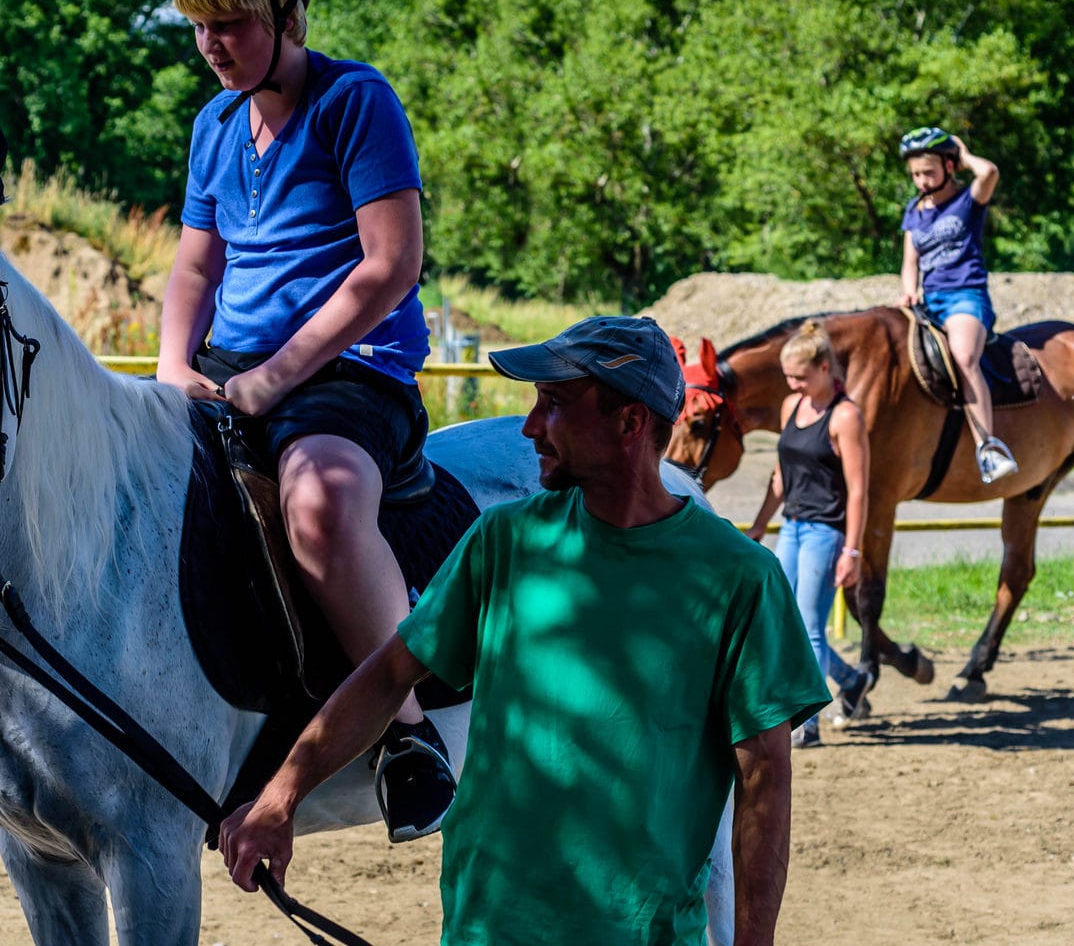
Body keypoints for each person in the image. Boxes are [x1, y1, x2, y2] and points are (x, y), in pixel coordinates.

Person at [219, 316, 832, 946]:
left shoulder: (740, 578)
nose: (531, 426)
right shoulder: (503, 540)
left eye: (556, 405)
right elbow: (387, 676)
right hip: (488, 927)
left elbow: (764, 781)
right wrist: (281, 795)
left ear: (630, 423)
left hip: (640, 932)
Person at [155, 0, 452, 842]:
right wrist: (172, 367)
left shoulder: (357, 102)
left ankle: (406, 737)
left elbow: (390, 265)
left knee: (318, 505)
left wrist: (274, 379)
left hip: (347, 372)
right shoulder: (213, 124)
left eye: (231, 22)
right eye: (200, 26)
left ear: (290, 12)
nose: (213, 44)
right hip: (227, 367)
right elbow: (196, 267)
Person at [744, 320, 874, 744]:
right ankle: (850, 680)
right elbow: (781, 475)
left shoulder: (845, 416)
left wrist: (851, 551)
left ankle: (806, 724)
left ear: (824, 368)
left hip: (825, 530)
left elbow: (858, 490)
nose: (793, 386)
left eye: (800, 377)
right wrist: (761, 524)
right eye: (788, 378)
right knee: (786, 623)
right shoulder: (790, 408)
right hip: (793, 526)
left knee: (811, 625)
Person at [897, 126, 1015, 483]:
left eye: (928, 172)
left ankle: (988, 448)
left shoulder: (968, 201)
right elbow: (909, 263)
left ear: (949, 167)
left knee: (964, 358)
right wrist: (908, 291)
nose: (921, 180)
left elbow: (990, 172)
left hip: (965, 295)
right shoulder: (914, 210)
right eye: (916, 173)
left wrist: (964, 157)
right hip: (926, 301)